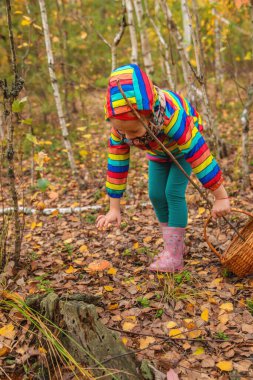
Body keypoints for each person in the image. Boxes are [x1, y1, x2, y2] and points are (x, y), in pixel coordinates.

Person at [96, 64, 231, 273]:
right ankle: (174, 247)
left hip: (183, 150)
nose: (129, 137)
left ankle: (174, 257)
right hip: (158, 151)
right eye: (123, 131)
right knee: (156, 194)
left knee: (172, 193)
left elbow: (199, 156)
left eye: (134, 130)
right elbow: (117, 165)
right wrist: (114, 207)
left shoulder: (172, 116)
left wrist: (220, 197)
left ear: (150, 115)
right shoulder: (121, 130)